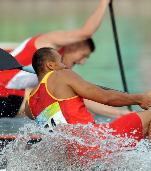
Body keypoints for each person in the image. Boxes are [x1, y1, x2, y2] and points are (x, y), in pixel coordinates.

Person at [0, 0, 128, 118]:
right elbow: (86, 32)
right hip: (4, 92)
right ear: (75, 44)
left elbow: (84, 97)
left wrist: (121, 114)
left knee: (50, 106)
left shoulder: (55, 68)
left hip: (10, 98)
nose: (82, 62)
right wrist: (104, 3)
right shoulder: (48, 42)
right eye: (84, 55)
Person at [26, 47, 151, 152]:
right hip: (94, 145)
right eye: (61, 61)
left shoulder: (29, 104)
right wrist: (139, 99)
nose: (65, 65)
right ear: (51, 65)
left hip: (69, 157)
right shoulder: (61, 75)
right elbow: (106, 98)